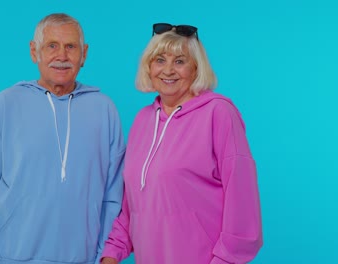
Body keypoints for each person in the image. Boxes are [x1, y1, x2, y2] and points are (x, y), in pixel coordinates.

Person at [0, 13, 126, 264]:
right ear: (34, 51)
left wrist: (104, 257)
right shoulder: (6, 104)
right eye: (52, 45)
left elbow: (113, 195)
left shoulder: (104, 110)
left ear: (83, 54)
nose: (61, 56)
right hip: (12, 257)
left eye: (70, 47)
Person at [100, 23, 263, 264]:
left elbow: (243, 199)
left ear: (196, 68)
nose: (168, 70)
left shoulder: (218, 113)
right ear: (148, 66)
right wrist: (112, 253)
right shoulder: (144, 120)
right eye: (159, 60)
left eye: (179, 61)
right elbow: (131, 204)